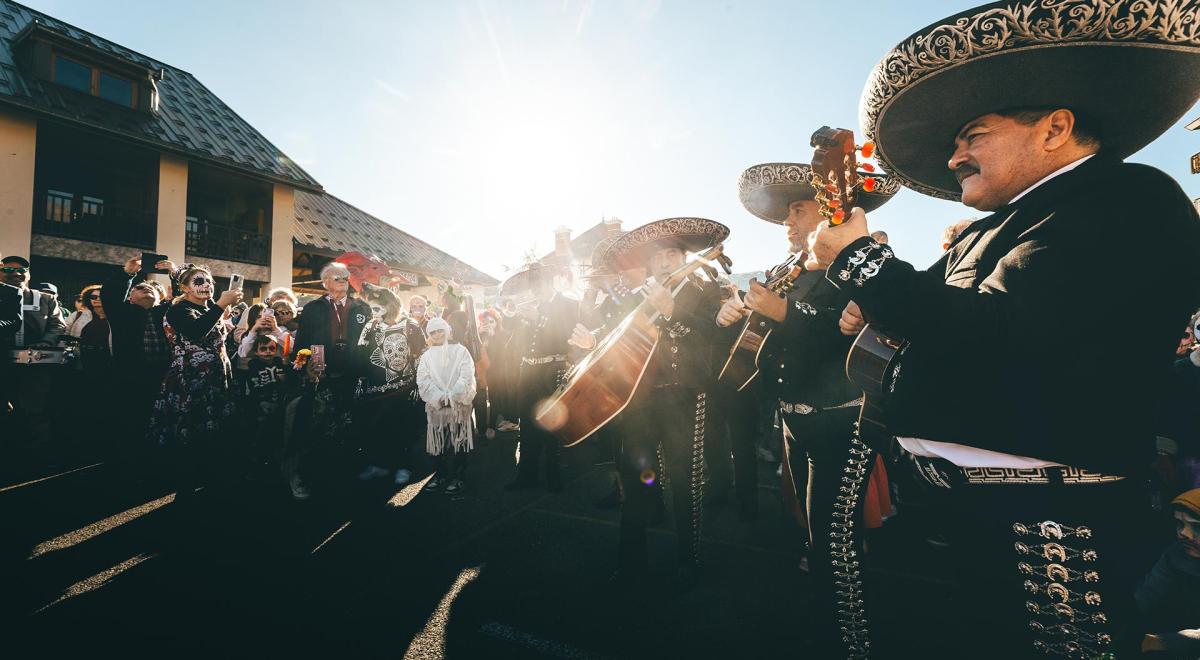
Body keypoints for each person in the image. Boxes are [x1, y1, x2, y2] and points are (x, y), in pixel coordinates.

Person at [810, 3, 1200, 655]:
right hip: (966, 522)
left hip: (1053, 535)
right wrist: (868, 303)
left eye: (973, 133)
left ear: (1055, 128)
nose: (955, 155)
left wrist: (861, 262)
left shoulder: (1129, 199)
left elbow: (998, 332)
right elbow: (923, 315)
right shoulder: (996, 227)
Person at [722, 162, 898, 652]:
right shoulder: (787, 272)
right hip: (794, 423)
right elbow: (769, 337)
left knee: (836, 544)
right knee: (816, 533)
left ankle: (852, 643)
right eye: (787, 213)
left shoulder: (854, 267)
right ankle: (830, 627)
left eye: (797, 209)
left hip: (841, 422)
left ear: (826, 212)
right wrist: (735, 313)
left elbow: (847, 335)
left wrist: (781, 312)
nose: (787, 221)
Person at [591, 217, 731, 591]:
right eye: (658, 257)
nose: (665, 262)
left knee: (685, 483)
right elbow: (616, 343)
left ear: (683, 255)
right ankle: (631, 562)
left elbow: (711, 339)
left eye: (672, 254)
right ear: (650, 264)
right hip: (639, 403)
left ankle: (689, 558)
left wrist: (671, 310)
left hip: (684, 399)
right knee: (633, 483)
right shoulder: (636, 298)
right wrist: (592, 345)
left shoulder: (704, 289)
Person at [147, 265, 243, 499]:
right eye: (199, 281)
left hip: (216, 378)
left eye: (209, 281)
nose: (206, 286)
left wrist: (220, 308)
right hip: (189, 379)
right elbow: (195, 331)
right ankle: (185, 486)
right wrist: (220, 306)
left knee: (213, 429)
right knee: (189, 430)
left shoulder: (210, 308)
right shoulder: (179, 310)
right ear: (184, 288)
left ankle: (210, 478)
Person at [288, 262, 371, 495]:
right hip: (321, 375)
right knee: (315, 426)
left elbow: (371, 343)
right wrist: (306, 367)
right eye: (337, 277)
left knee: (349, 426)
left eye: (345, 277)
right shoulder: (313, 308)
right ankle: (305, 476)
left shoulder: (361, 308)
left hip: (353, 376)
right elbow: (302, 342)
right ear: (325, 283)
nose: (343, 280)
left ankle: (342, 477)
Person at [502, 262, 581, 493]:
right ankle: (526, 476)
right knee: (526, 426)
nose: (536, 290)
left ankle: (554, 476)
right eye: (533, 286)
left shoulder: (569, 304)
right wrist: (516, 312)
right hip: (527, 371)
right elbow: (510, 331)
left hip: (552, 370)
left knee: (551, 426)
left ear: (551, 282)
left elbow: (566, 335)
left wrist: (538, 318)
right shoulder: (529, 306)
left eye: (540, 284)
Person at [353, 283, 426, 486]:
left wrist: (419, 385)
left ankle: (404, 466)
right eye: (371, 308)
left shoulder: (410, 325)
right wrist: (361, 380)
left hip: (404, 388)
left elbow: (421, 355)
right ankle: (379, 464)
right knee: (377, 428)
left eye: (376, 307)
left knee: (404, 429)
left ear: (389, 305)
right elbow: (360, 355)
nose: (373, 312)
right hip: (375, 389)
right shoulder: (370, 326)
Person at [1137, 488, 1200, 657]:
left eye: (1196, 526)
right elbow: (1145, 597)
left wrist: (1165, 642)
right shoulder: (1176, 555)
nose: (1183, 534)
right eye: (1180, 524)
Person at [417, 317, 476, 494]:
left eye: (439, 330)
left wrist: (452, 396)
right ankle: (440, 474)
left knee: (459, 443)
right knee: (438, 444)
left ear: (447, 330)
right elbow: (423, 380)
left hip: (458, 407)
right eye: (432, 332)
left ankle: (459, 476)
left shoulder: (461, 351)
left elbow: (466, 376)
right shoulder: (426, 356)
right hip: (437, 409)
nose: (436, 334)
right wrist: (438, 397)